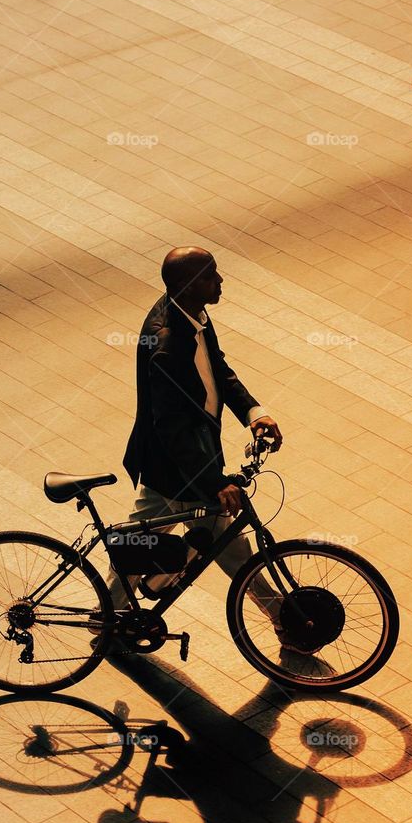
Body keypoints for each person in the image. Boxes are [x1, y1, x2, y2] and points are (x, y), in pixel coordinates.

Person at [107, 247, 289, 639]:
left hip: (184, 462)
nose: (220, 281)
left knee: (143, 541)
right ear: (189, 285)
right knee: (226, 546)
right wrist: (214, 482)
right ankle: (287, 623)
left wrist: (254, 412)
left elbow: (218, 369)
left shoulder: (192, 315)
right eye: (211, 276)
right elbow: (171, 425)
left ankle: (110, 612)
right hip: (179, 467)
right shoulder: (167, 342)